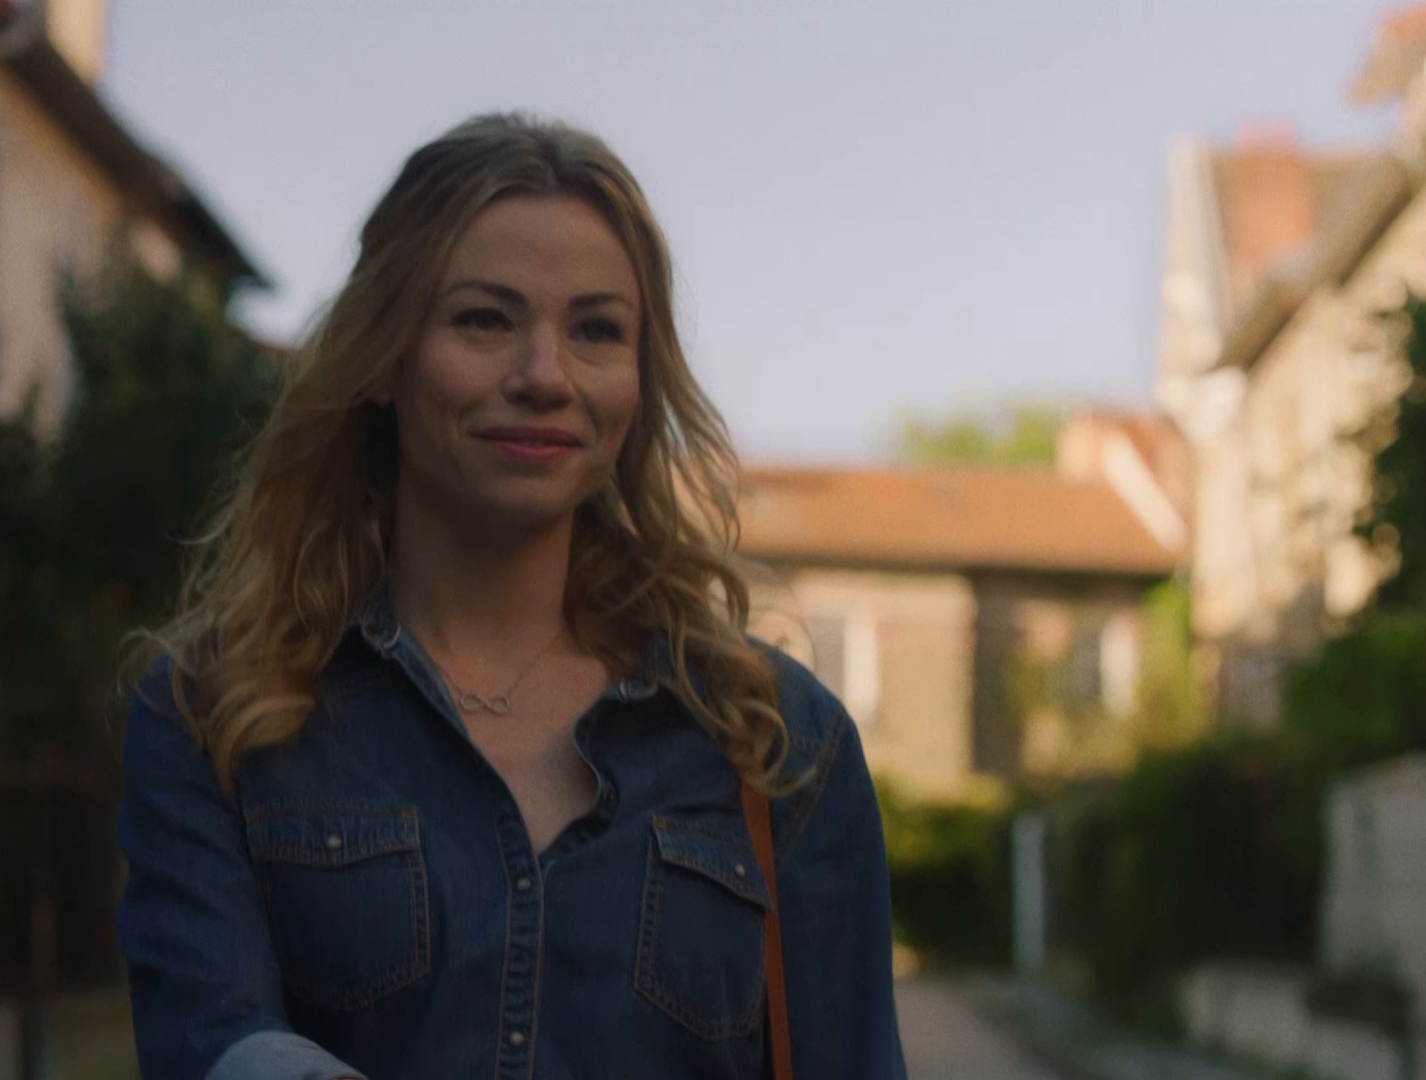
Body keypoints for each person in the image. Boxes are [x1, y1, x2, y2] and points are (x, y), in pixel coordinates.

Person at [117, 112, 907, 1080]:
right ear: (384, 356)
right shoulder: (218, 713)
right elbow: (208, 1047)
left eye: (597, 330)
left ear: (640, 382)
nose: (544, 376)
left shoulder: (780, 744)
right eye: (484, 320)